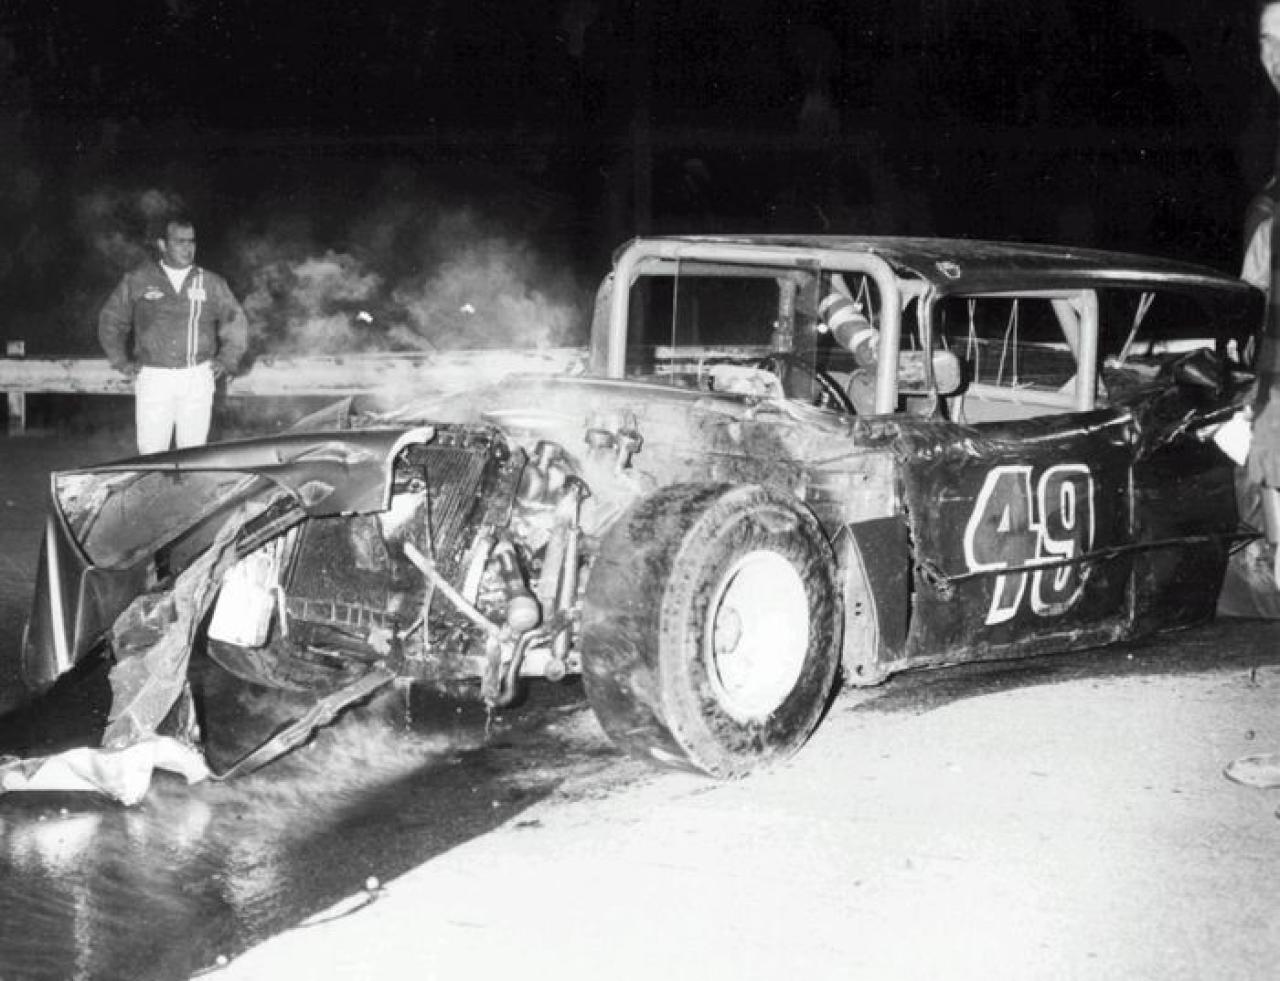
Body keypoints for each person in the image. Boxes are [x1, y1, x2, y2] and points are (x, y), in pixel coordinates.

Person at [98, 216, 247, 454]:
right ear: (162, 245)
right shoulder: (138, 279)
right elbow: (111, 320)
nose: (188, 248)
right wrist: (121, 361)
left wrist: (227, 359)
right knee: (152, 453)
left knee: (194, 453)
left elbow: (236, 323)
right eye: (180, 242)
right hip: (154, 377)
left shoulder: (211, 282)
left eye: (191, 241)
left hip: (197, 376)